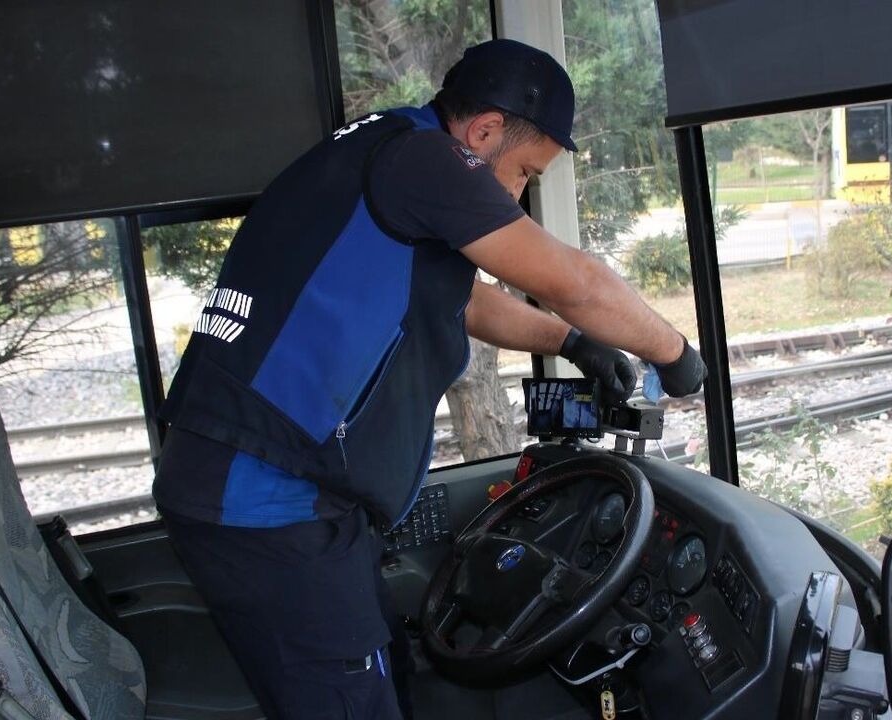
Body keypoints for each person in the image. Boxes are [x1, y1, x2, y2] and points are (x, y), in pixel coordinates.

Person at [151, 39, 706, 719]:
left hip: (285, 489)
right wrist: (676, 354)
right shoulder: (424, 159)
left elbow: (463, 300)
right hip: (270, 499)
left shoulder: (384, 153)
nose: (520, 193)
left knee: (390, 669)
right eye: (527, 170)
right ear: (483, 132)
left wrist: (570, 341)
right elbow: (576, 281)